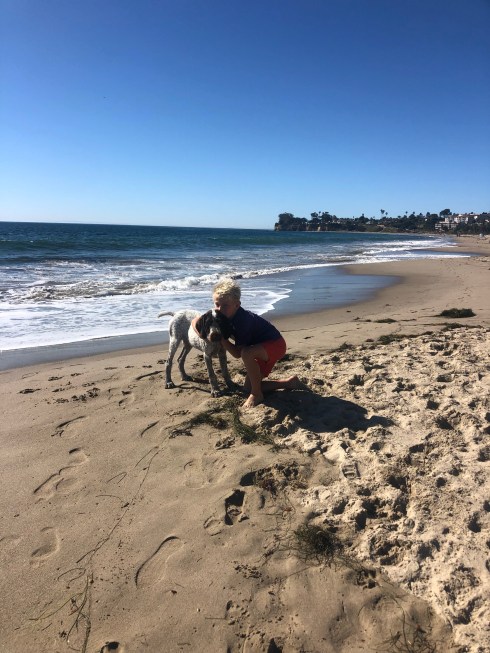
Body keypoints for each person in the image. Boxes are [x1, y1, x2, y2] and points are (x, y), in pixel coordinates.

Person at [209, 278, 301, 408]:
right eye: (217, 304)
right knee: (248, 388)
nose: (219, 309)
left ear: (237, 305)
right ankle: (289, 383)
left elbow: (237, 354)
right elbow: (197, 321)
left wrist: (222, 339)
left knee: (246, 353)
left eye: (225, 305)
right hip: (260, 351)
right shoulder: (224, 317)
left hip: (276, 345)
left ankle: (256, 394)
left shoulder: (242, 321)